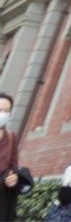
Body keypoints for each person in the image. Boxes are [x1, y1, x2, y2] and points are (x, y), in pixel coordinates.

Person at [0, 93, 23, 222]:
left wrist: (13, 177)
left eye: (7, 110)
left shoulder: (11, 137)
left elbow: (13, 164)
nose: (3, 114)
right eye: (0, 110)